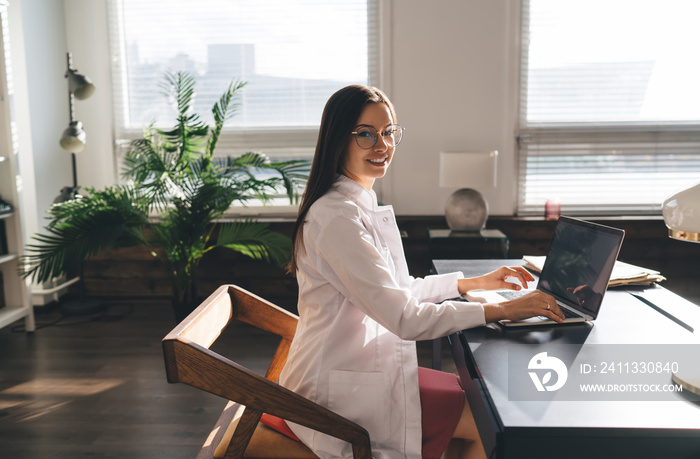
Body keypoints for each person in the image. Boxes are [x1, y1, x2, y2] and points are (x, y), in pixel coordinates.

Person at [278, 85, 564, 459]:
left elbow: (398, 290)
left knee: (486, 403)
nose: (382, 145)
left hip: (359, 372)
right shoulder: (336, 217)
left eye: (388, 131)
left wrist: (471, 283)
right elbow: (405, 318)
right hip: (335, 394)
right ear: (338, 140)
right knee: (491, 423)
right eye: (366, 134)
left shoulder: (356, 204)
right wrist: (504, 309)